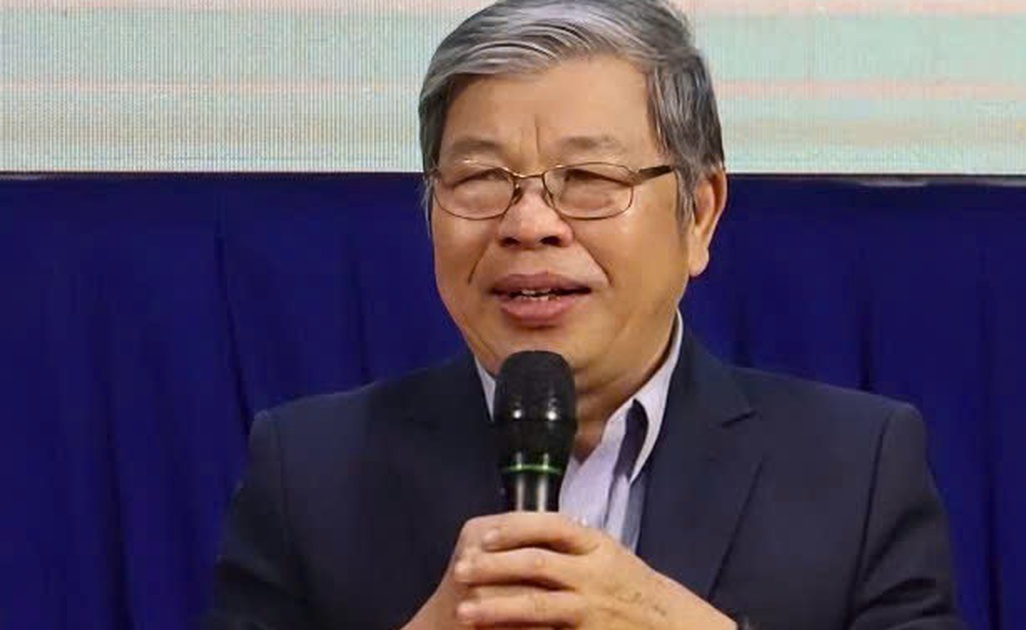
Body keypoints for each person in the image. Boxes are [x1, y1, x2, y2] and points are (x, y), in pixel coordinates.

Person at [206, 1, 964, 628]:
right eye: (479, 177)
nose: (530, 223)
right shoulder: (308, 474)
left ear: (699, 215)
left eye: (590, 177)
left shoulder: (858, 471)